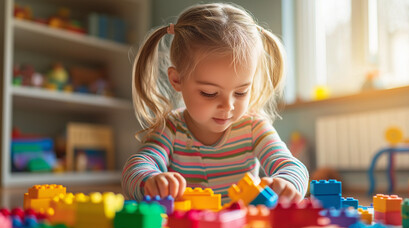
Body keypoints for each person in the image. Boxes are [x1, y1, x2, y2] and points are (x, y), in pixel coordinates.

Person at [122, 3, 308, 204]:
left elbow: (293, 167)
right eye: (209, 93)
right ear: (177, 80)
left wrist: (286, 182)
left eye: (241, 92)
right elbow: (135, 169)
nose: (228, 106)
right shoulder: (171, 128)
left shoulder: (254, 127)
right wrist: (151, 180)